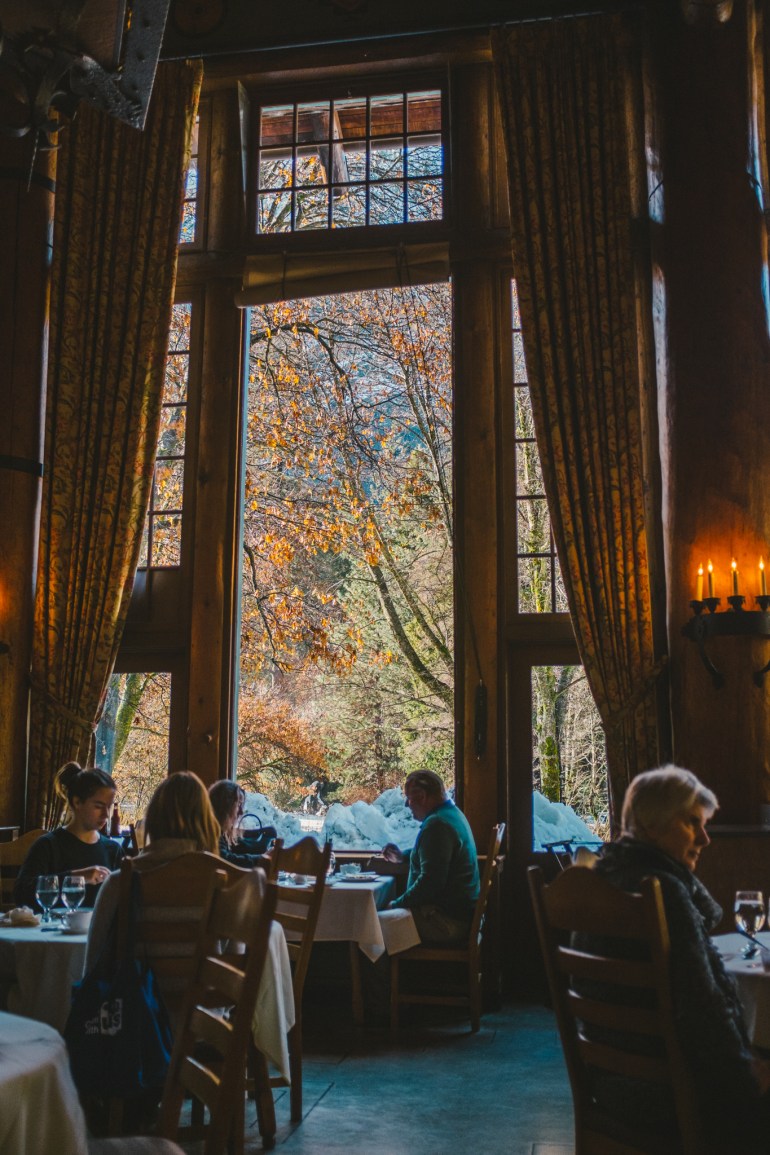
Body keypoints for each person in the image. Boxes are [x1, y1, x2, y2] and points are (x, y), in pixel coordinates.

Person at [579, 764, 770, 1152]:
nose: (705, 838)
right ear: (650, 824)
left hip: (609, 1076)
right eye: (691, 823)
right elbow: (702, 1009)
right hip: (664, 1092)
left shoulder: (602, 878)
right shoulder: (662, 891)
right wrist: (746, 1073)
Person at [84, 770, 220, 972]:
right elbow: (234, 967)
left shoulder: (119, 883)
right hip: (205, 1003)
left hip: (135, 1002)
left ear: (154, 819)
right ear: (207, 822)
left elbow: (94, 967)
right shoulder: (224, 884)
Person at [383, 769, 479, 943]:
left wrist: (396, 904)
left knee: (375, 925)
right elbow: (437, 856)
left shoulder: (437, 825)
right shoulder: (451, 814)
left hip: (446, 922)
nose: (407, 804)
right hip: (459, 917)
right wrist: (403, 857)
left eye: (409, 798)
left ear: (421, 797)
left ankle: (389, 971)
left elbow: (430, 883)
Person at [14, 762, 123, 911]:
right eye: (98, 806)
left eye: (109, 807)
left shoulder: (113, 851)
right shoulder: (48, 846)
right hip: (50, 932)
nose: (106, 814)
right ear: (77, 802)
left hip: (97, 933)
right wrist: (76, 878)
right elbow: (22, 894)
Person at [208, 780, 271, 870]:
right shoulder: (213, 832)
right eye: (238, 805)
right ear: (226, 806)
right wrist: (262, 859)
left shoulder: (219, 831)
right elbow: (226, 861)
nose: (241, 812)